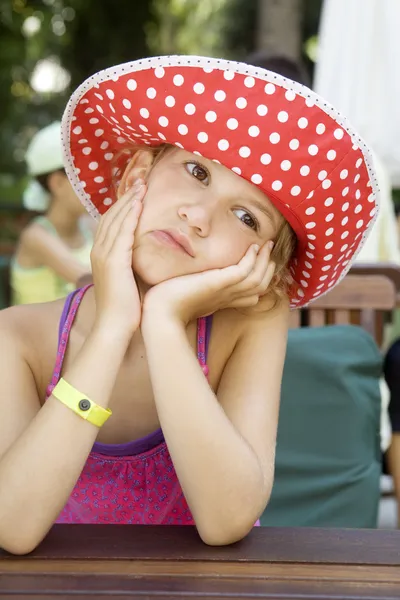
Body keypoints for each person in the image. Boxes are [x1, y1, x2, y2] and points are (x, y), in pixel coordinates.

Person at [0, 55, 378, 554]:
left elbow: (226, 520)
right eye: (196, 171)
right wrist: (114, 325)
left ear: (263, 266)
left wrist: (163, 322)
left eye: (245, 216)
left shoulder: (251, 322)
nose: (199, 216)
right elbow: (13, 527)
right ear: (137, 173)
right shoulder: (18, 339)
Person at [10, 122, 93, 305]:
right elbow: (89, 281)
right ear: (57, 183)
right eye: (87, 174)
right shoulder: (36, 237)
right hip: (34, 333)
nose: (98, 182)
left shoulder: (90, 225)